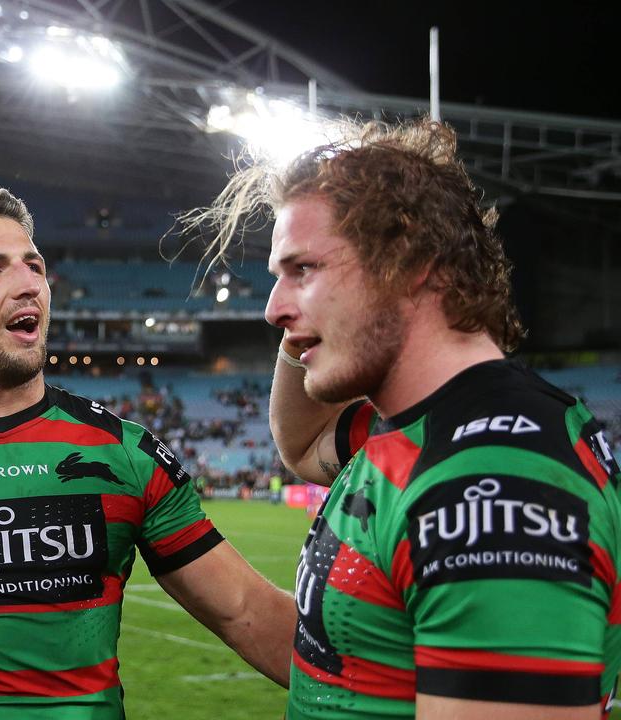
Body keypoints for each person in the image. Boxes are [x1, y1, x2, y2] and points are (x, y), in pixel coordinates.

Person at [0, 187, 298, 719]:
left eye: (33, 266)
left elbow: (244, 611)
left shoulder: (125, 453)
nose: (27, 284)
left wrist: (384, 688)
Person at [188, 119, 621, 719]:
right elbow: (304, 441)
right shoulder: (423, 428)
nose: (271, 310)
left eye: (303, 269)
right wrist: (310, 323)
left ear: (413, 262)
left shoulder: (492, 484)